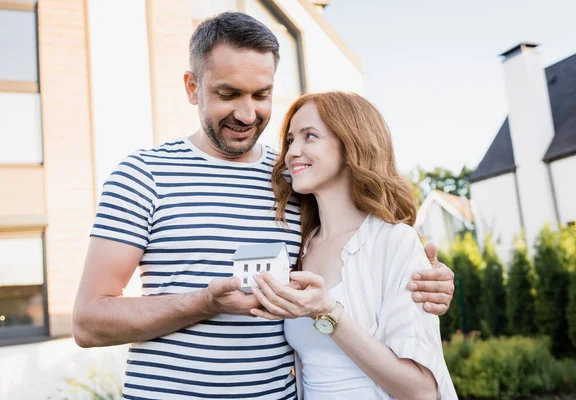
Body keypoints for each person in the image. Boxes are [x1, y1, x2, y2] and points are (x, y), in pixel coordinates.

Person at [72, 12, 455, 399]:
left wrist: (427, 279)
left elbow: (361, 256)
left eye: (261, 94)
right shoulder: (144, 175)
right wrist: (204, 303)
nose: (246, 113)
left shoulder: (295, 183)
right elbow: (88, 323)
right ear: (192, 87)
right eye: (228, 94)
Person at [249, 92, 458, 399]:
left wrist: (328, 313)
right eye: (290, 140)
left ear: (351, 147)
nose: (292, 151)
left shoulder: (394, 241)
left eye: (310, 136)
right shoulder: (300, 245)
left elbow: (422, 391)